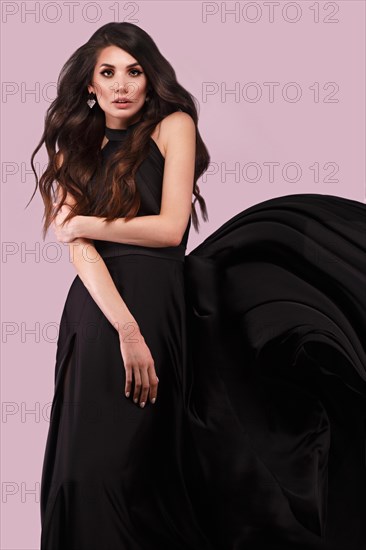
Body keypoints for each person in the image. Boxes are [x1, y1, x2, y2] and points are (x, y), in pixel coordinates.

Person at [29, 21, 366, 550]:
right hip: (98, 314)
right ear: (89, 87)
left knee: (135, 469)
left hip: (156, 300)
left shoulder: (172, 126)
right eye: (108, 73)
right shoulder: (75, 144)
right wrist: (123, 329)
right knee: (79, 473)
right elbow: (79, 252)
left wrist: (90, 225)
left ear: (150, 78)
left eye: (134, 71)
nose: (122, 84)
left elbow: (168, 230)